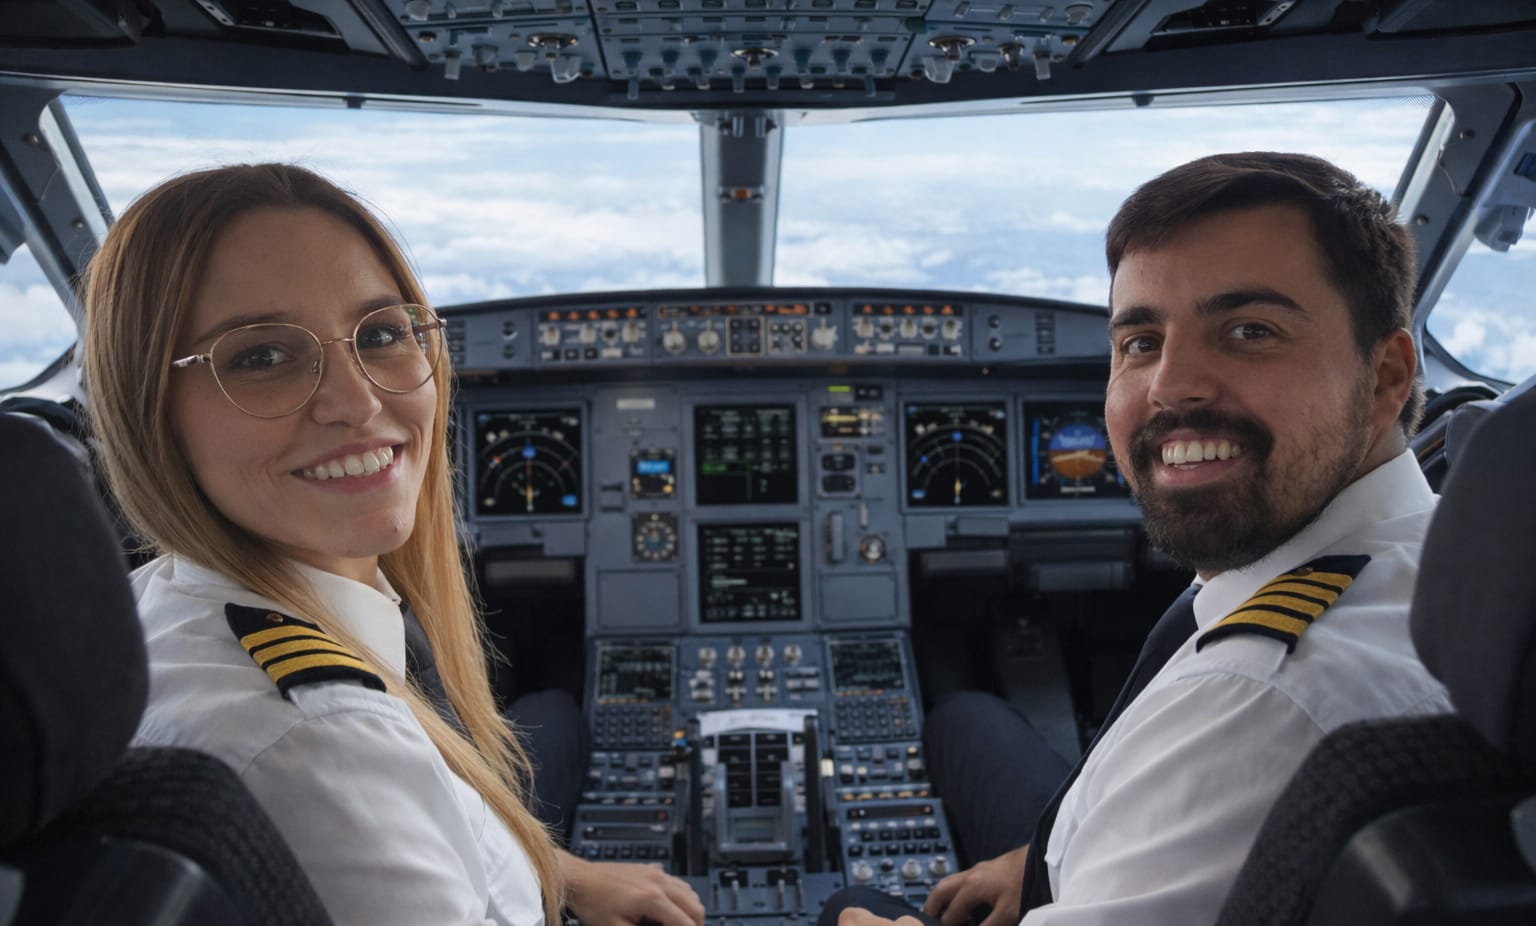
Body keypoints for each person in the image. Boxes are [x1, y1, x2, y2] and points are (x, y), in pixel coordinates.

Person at [828, 151, 1455, 926]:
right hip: (1109, 844)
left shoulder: (1255, 702)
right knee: (965, 718)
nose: (1171, 386)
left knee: (850, 905)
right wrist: (1046, 857)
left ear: (1388, 375)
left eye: (1249, 330)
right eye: (1140, 342)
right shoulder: (1449, 558)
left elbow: (1239, 739)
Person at [82, 163, 706, 926]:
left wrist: (556, 872)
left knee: (552, 712)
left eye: (380, 334)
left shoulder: (163, 594)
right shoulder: (319, 747)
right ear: (146, 404)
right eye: (262, 356)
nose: (358, 401)